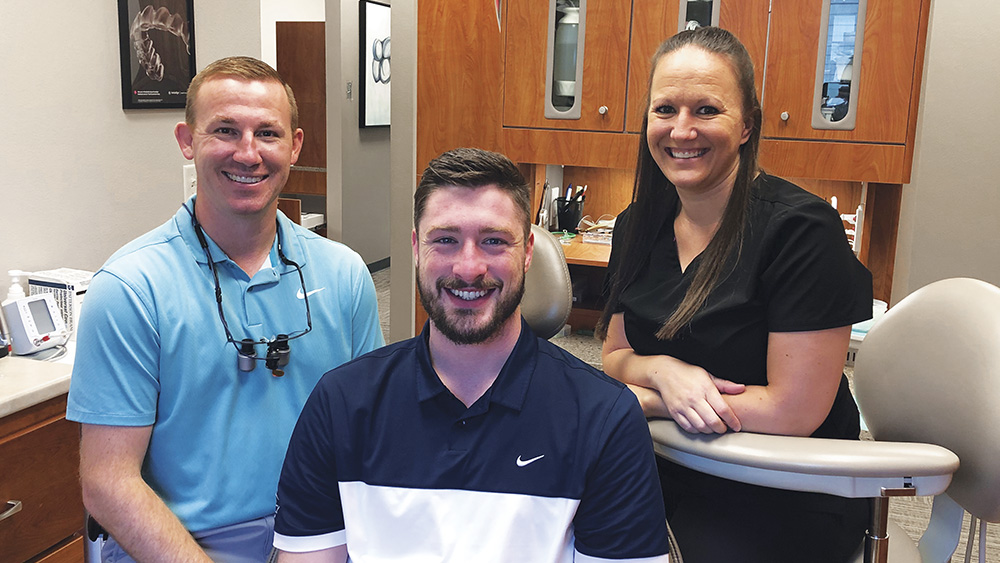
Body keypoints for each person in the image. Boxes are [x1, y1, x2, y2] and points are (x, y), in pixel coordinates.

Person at [271, 148, 671, 562]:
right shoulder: (341, 403)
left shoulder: (604, 418)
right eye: (445, 240)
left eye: (493, 241)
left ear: (528, 251)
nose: (468, 267)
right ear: (415, 248)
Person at [67, 56, 385, 563]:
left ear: (295, 145)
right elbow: (108, 483)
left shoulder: (343, 274)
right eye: (225, 130)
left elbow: (371, 436)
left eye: (268, 133)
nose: (248, 153)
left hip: (319, 540)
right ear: (186, 140)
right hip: (181, 545)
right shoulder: (131, 288)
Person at [597, 27, 872, 563]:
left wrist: (649, 402)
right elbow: (614, 358)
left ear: (747, 125)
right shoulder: (636, 226)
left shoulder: (801, 231)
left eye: (706, 110)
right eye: (664, 110)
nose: (681, 130)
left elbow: (794, 411)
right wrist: (662, 371)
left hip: (780, 482)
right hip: (666, 461)